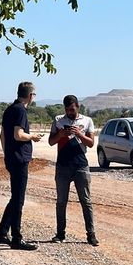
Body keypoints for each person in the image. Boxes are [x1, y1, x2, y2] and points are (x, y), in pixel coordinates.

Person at [0, 81, 43, 250]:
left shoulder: (9, 109)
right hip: (20, 159)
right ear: (30, 95)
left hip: (11, 158)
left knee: (15, 198)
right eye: (34, 95)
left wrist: (7, 154)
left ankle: (2, 233)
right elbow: (18, 134)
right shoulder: (21, 110)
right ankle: (17, 238)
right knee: (19, 200)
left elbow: (2, 136)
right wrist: (32, 137)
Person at [48, 95, 98, 246]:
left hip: (81, 166)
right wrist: (60, 134)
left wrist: (79, 134)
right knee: (61, 201)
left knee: (86, 201)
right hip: (62, 166)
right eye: (67, 109)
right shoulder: (58, 120)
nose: (70, 112)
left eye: (72, 109)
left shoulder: (87, 121)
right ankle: (60, 234)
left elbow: (91, 144)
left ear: (78, 107)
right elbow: (51, 141)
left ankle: (91, 235)